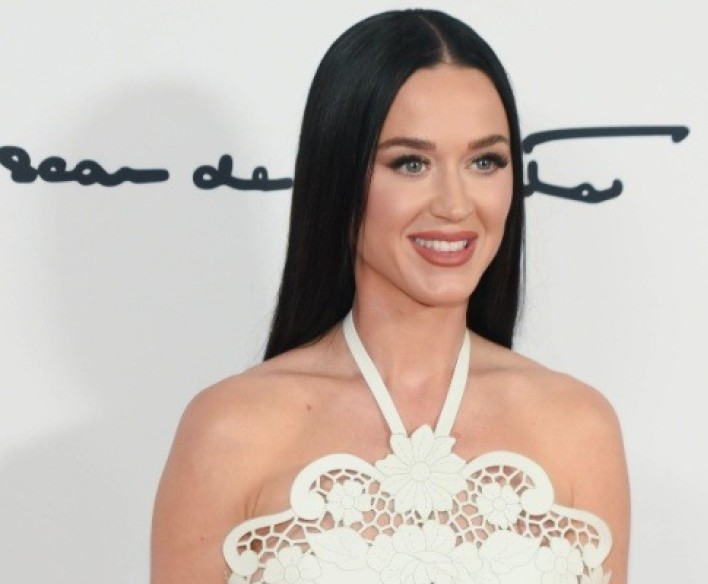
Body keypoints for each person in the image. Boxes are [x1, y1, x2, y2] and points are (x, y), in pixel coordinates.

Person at [152, 9, 629, 584]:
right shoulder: (229, 430)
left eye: (485, 161)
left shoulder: (579, 427)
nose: (455, 204)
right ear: (339, 176)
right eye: (411, 163)